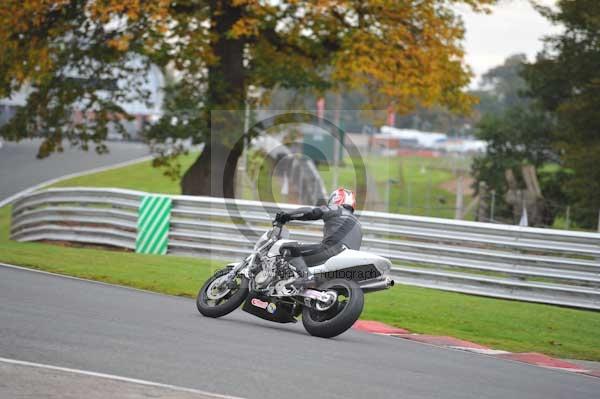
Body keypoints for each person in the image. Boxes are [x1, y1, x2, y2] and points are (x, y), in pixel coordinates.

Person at [275, 188, 362, 288]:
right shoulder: (358, 224)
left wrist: (286, 216)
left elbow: (312, 212)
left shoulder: (336, 209)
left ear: (336, 199)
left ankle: (306, 278)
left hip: (331, 250)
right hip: (346, 260)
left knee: (288, 248)